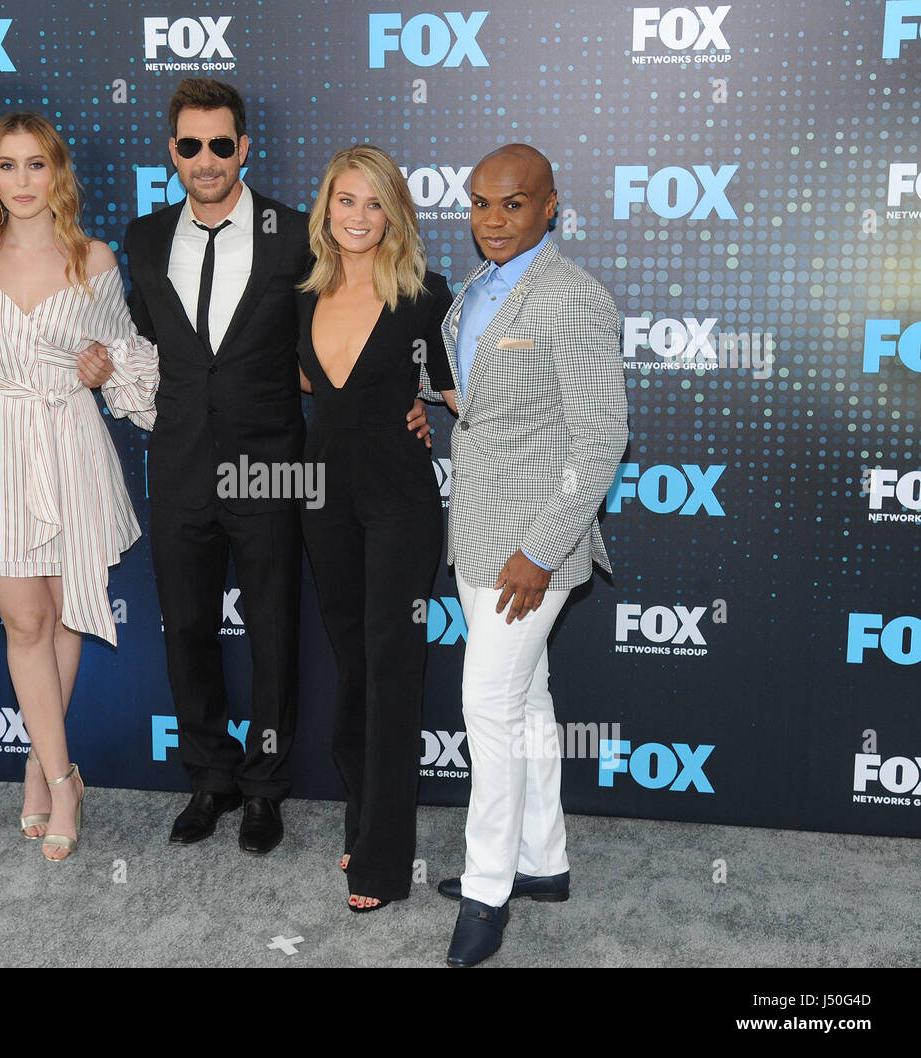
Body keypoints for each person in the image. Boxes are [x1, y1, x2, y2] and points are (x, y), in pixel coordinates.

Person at [125, 79, 432, 855]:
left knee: (272, 632)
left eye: (220, 145)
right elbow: (148, 347)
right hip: (180, 465)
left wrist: (412, 397)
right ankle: (208, 776)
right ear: (172, 151)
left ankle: (264, 785)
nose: (205, 159)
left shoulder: (300, 233)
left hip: (277, 471)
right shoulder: (143, 238)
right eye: (189, 145)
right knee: (186, 629)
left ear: (244, 149)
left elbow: (351, 344)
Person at [0, 113, 157, 861]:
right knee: (24, 619)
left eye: (35, 165)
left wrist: (102, 370)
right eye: (5, 166)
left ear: (58, 173)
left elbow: (127, 359)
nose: (22, 182)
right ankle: (64, 779)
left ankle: (35, 761)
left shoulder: (94, 258)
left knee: (62, 618)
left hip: (68, 440)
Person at [432, 144, 628, 966]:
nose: (493, 220)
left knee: (489, 710)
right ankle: (543, 861)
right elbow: (484, 402)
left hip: (529, 549)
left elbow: (603, 438)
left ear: (552, 206)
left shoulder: (573, 299)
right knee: (530, 701)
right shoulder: (479, 286)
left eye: (512, 205)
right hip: (476, 533)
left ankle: (487, 892)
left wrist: (542, 551)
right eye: (480, 204)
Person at [295, 145, 453, 911]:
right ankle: (362, 819)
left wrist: (429, 406)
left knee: (393, 670)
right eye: (344, 201)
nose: (358, 217)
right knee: (353, 666)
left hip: (399, 498)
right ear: (326, 208)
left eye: (374, 203)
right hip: (322, 495)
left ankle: (384, 863)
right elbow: (295, 382)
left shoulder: (426, 298)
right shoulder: (300, 293)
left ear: (395, 214)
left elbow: (468, 395)